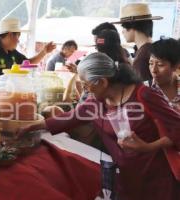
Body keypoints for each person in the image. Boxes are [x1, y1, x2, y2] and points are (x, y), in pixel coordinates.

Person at [18, 52, 180, 200]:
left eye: (86, 85)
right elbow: (68, 118)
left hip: (156, 178)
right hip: (126, 178)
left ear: (102, 82)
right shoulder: (95, 103)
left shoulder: (144, 95)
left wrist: (148, 147)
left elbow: (177, 128)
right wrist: (31, 126)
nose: (85, 91)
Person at [0, 18, 56, 100]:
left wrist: (44, 52)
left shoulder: (12, 52)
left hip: (5, 98)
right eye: (18, 36)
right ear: (10, 35)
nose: (18, 41)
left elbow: (28, 63)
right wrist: (3, 81)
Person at [112, 3, 163, 82]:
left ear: (132, 27)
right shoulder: (153, 48)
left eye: (123, 27)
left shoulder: (142, 57)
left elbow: (142, 90)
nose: (122, 32)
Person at [148, 38, 180, 111]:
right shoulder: (144, 89)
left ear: (175, 66)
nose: (153, 70)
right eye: (151, 63)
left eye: (160, 65)